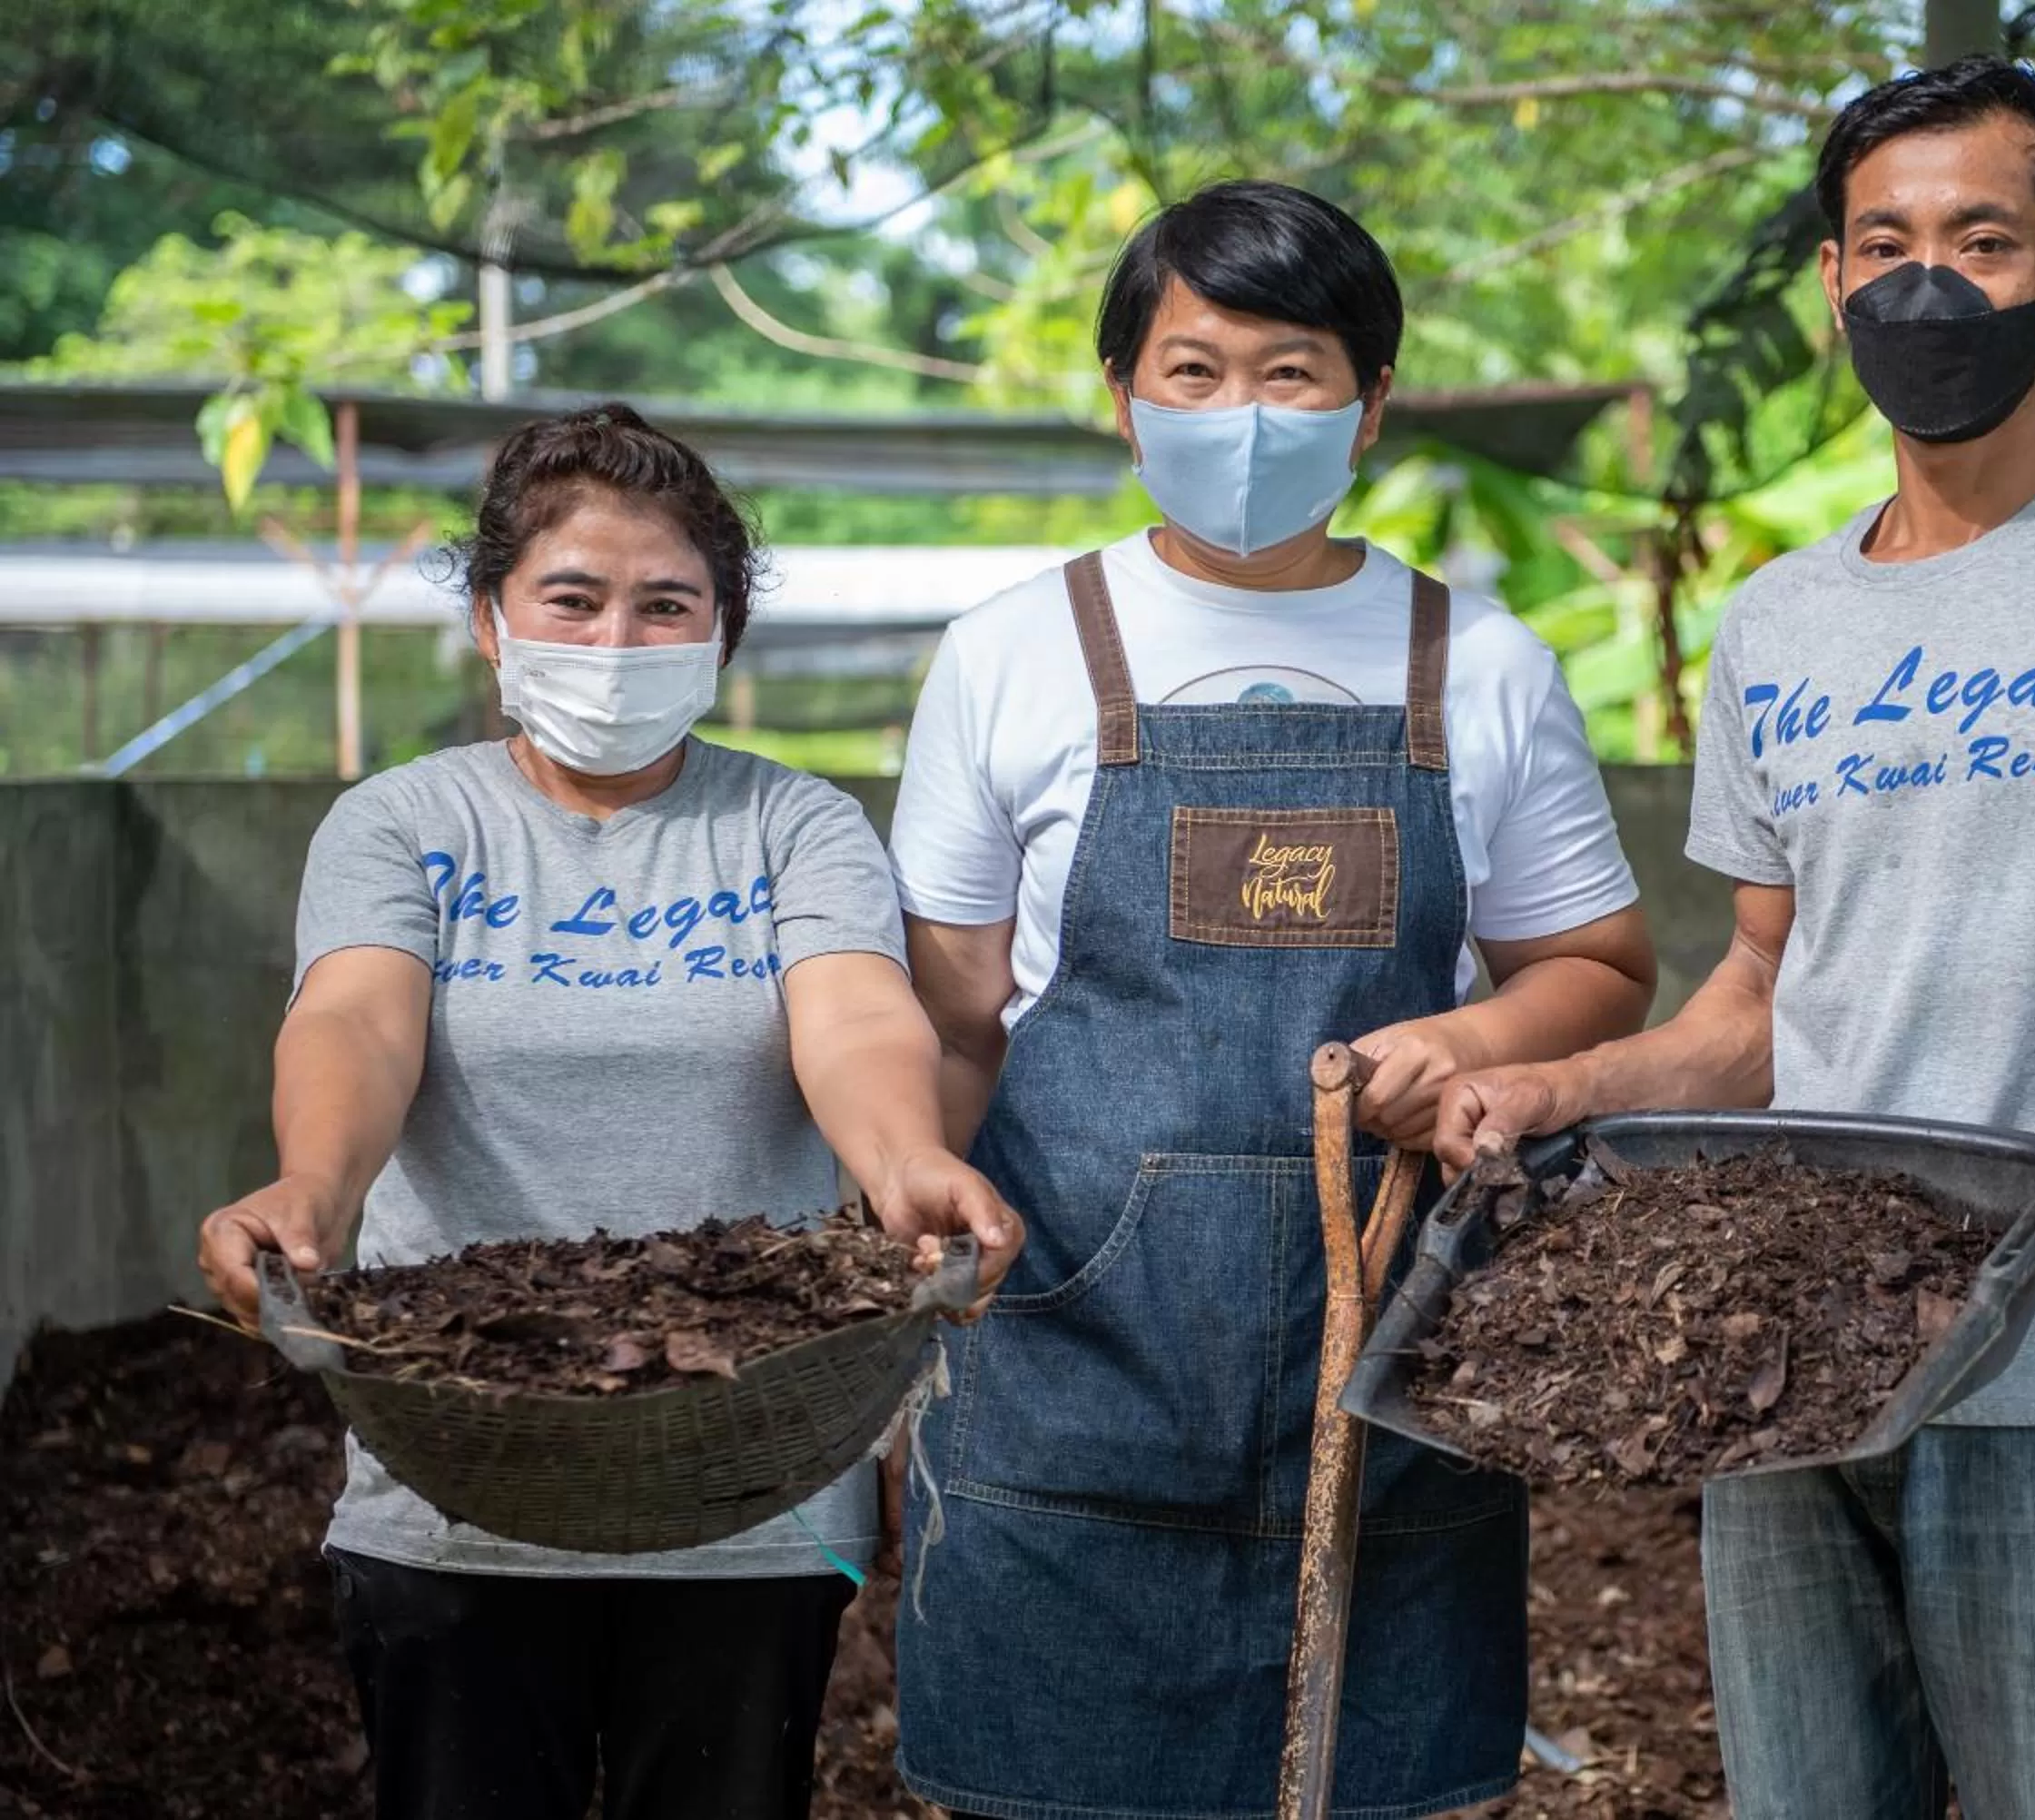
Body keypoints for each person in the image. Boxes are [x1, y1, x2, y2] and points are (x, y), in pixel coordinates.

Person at [1437, 59, 2035, 1820]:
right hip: (1783, 1375)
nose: (1926, 286)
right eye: (1883, 244)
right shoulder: (1779, 625)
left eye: (1983, 239)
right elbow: (1757, 1001)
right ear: (1831, 282)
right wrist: (1564, 1085)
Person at [885, 179, 1657, 1819]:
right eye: (1195, 370)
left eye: (1292, 373)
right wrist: (903, 1305)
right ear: (1124, 396)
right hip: (1068, 1368)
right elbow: (949, 1020)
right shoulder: (1013, 653)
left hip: (1394, 1364)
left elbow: (1595, 971)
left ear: (1370, 406)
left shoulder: (1484, 663)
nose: (1242, 414)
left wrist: (1464, 1041)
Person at [193, 403, 1024, 1820]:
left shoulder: (794, 824)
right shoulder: (405, 823)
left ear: (724, 631)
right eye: (571, 601)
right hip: (453, 1478)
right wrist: (310, 1193)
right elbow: (355, 1018)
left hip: (747, 1485)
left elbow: (856, 1016)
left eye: (666, 606)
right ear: (490, 616)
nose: (617, 643)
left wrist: (906, 1161)